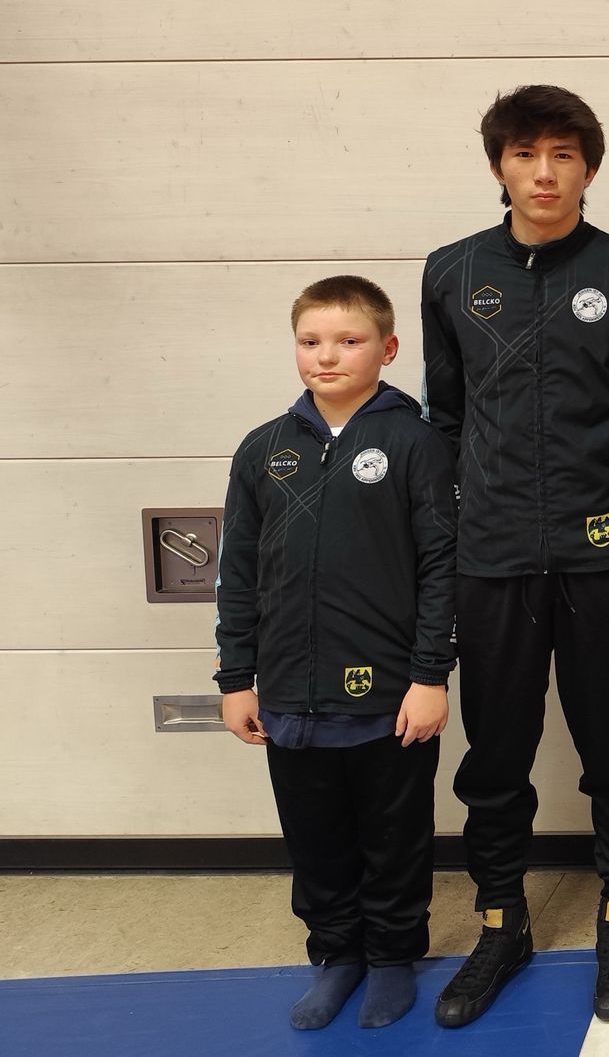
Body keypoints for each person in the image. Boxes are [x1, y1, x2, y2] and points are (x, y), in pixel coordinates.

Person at [421, 85, 609, 1027]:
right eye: (526, 154)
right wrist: (442, 537)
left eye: (563, 155)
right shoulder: (452, 272)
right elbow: (444, 418)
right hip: (491, 557)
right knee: (495, 754)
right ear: (499, 166)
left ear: (589, 168)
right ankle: (502, 923)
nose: (544, 172)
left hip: (602, 553)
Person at [215, 276, 456, 1031]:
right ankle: (337, 956)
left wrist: (430, 676)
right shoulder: (264, 449)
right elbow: (237, 572)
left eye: (349, 341)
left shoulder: (416, 444)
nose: (327, 356)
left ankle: (391, 957)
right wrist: (236, 677)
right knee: (316, 839)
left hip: (390, 692)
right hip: (290, 691)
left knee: (393, 836)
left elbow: (442, 568)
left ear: (388, 349)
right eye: (311, 341)